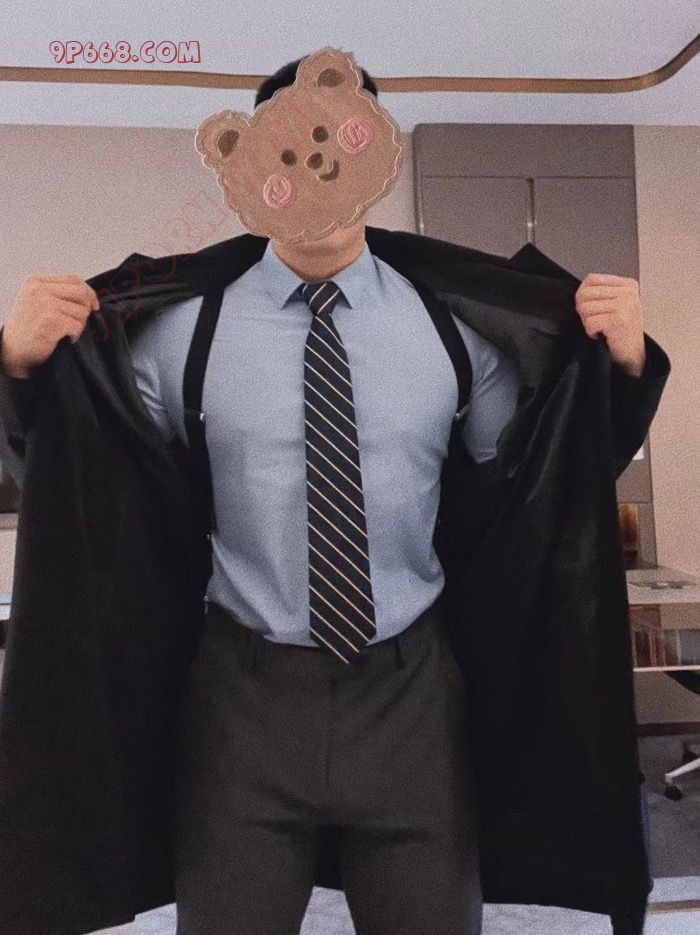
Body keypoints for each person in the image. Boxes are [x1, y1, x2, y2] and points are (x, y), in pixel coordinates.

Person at [0, 53, 656, 935]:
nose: (311, 166)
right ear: (242, 161)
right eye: (280, 146)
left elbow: (550, 478)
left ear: (375, 151)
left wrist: (619, 370)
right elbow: (82, 476)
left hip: (413, 697)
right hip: (242, 700)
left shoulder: (452, 327)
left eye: (338, 142)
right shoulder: (181, 332)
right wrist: (20, 371)